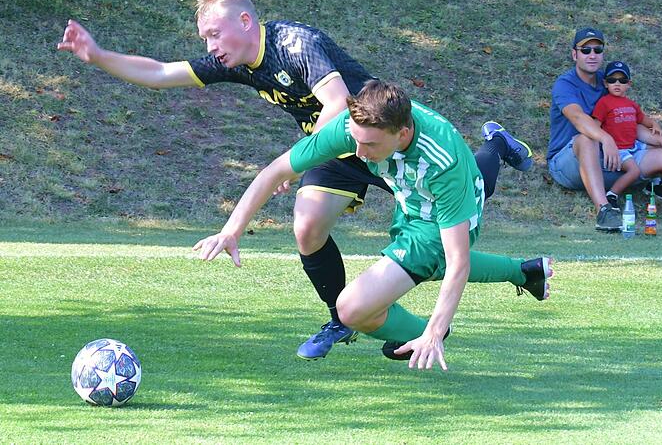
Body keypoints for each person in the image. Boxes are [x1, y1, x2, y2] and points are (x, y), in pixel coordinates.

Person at [59, 0, 391, 360]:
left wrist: (296, 160)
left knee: (434, 227)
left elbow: (338, 103)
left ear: (245, 21)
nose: (210, 47)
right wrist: (98, 56)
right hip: (331, 151)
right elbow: (159, 74)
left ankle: (416, 319)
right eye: (205, 38)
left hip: (378, 138)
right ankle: (342, 319)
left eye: (215, 34)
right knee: (307, 227)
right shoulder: (238, 63)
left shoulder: (295, 44)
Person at [193, 80, 552, 371]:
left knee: (352, 308)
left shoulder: (441, 163)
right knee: (433, 256)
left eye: (370, 145)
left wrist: (434, 329)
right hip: (411, 202)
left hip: (435, 217)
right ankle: (525, 270)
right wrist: (232, 230)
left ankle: (427, 334)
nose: (359, 153)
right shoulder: (355, 128)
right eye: (356, 140)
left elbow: (458, 261)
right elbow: (276, 170)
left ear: (403, 133)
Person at [547, 27, 662, 232]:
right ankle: (604, 210)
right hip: (568, 164)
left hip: (609, 161)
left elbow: (626, 121)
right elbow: (578, 118)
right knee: (587, 139)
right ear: (574, 54)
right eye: (585, 50)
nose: (592, 55)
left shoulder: (609, 80)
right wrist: (606, 138)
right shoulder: (565, 84)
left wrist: (661, 141)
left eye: (597, 49)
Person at [592, 61, 662, 208]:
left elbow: (643, 119)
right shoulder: (604, 103)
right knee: (634, 171)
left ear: (628, 84)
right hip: (618, 149)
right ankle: (611, 195)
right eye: (612, 80)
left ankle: (654, 184)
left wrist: (655, 124)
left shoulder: (631, 104)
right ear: (606, 83)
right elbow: (595, 126)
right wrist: (601, 142)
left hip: (634, 145)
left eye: (622, 80)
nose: (617, 83)